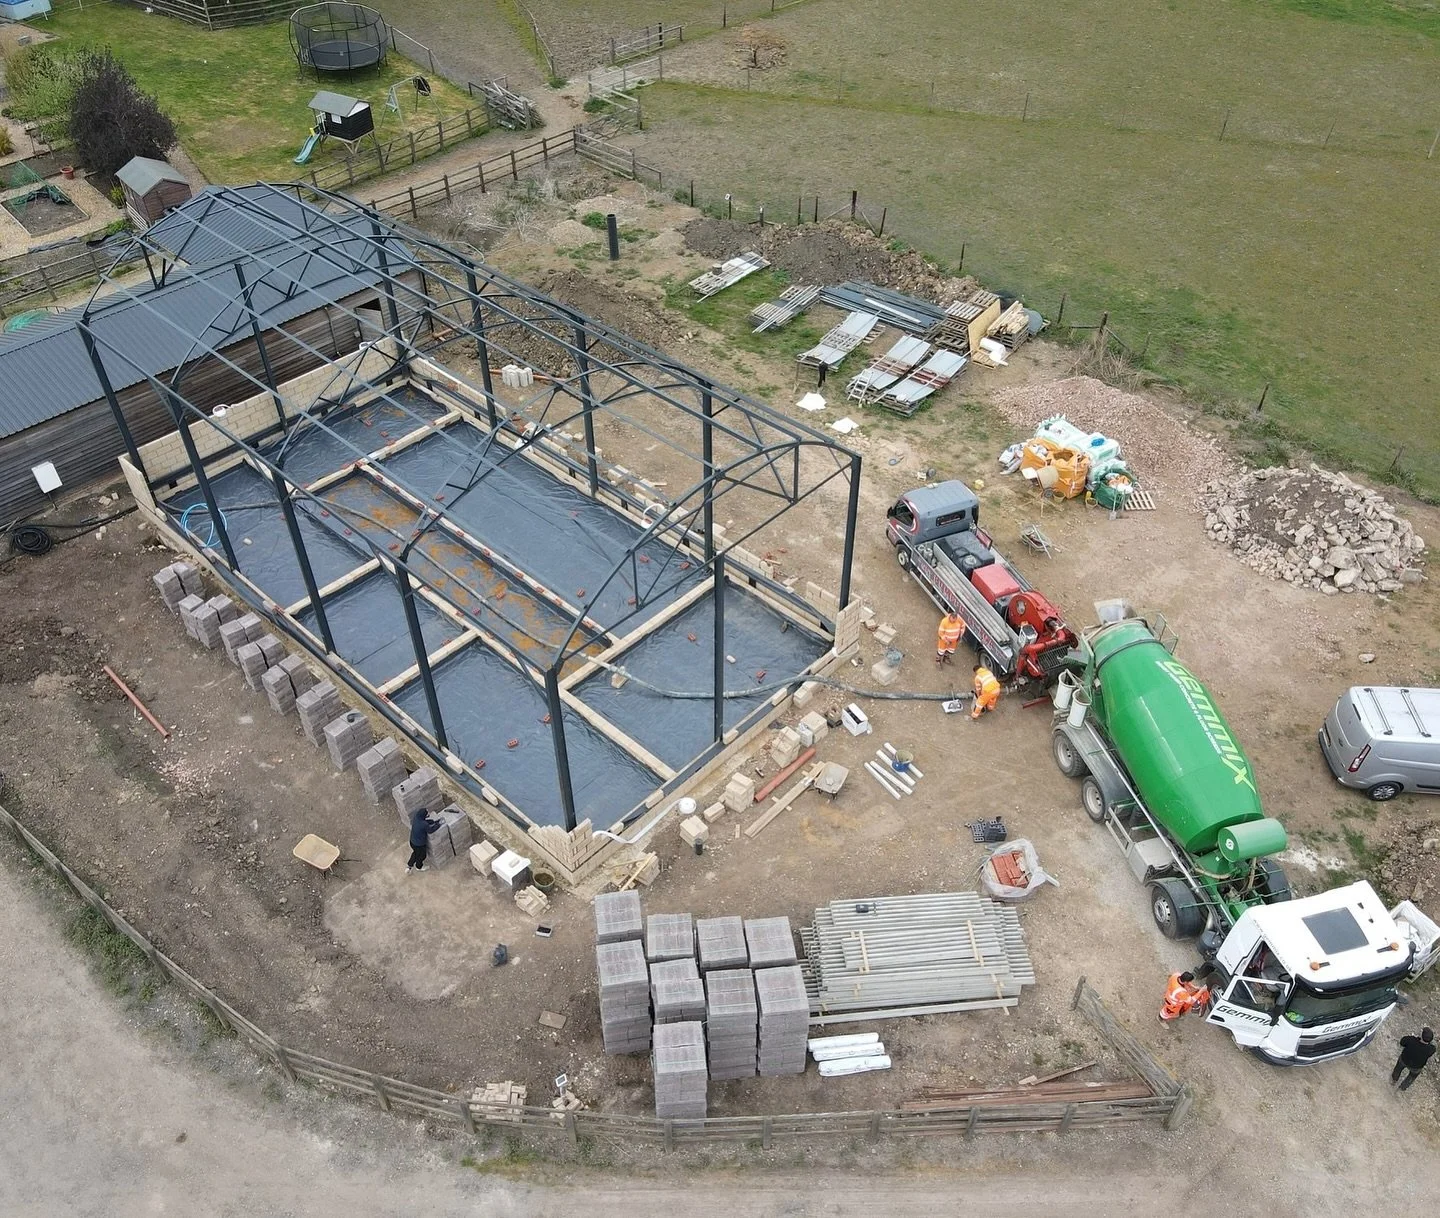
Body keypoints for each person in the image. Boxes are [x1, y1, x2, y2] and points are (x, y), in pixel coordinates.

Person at [1392, 1027, 1435, 1091]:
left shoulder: (1411, 1040)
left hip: (1404, 1060)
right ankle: (1402, 1088)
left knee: (1398, 1069)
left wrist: (1416, 1038)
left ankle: (1394, 1080)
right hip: (1416, 1067)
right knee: (1411, 1077)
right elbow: (1429, 1054)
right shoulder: (1431, 1049)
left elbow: (1402, 1042)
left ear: (1421, 1036)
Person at [407, 805, 441, 873]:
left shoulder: (416, 818)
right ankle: (419, 867)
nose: (428, 814)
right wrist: (438, 825)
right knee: (422, 855)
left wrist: (430, 821)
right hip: (419, 845)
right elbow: (430, 830)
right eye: (427, 814)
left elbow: (423, 821)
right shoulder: (424, 824)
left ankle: (409, 865)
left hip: (412, 842)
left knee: (416, 853)